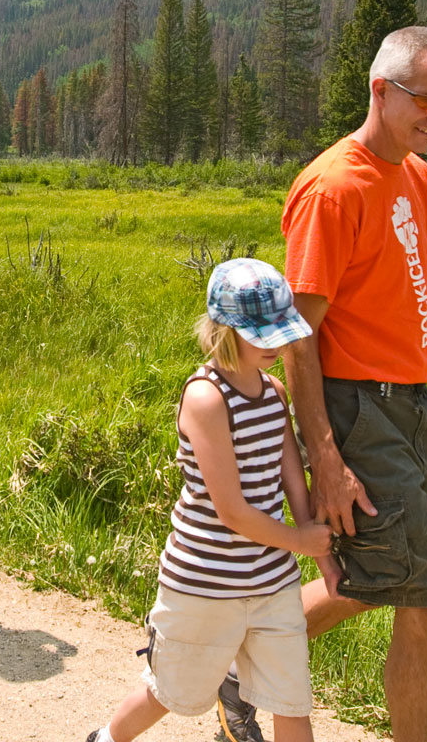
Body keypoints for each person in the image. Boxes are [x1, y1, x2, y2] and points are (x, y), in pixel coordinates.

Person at [216, 27, 427, 742]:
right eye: (426, 101)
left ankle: (232, 659)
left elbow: (419, 286)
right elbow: (299, 334)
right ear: (380, 89)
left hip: (415, 406)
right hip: (359, 408)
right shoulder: (332, 188)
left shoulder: (415, 176)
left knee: (383, 580)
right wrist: (325, 454)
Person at [87, 258, 335, 742]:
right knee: (170, 692)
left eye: (282, 333)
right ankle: (106, 739)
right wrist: (301, 540)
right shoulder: (205, 398)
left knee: (291, 702)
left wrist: (314, 547)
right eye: (262, 336)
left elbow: (291, 480)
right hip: (203, 585)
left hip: (272, 583)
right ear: (224, 331)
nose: (276, 345)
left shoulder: (274, 392)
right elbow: (231, 510)